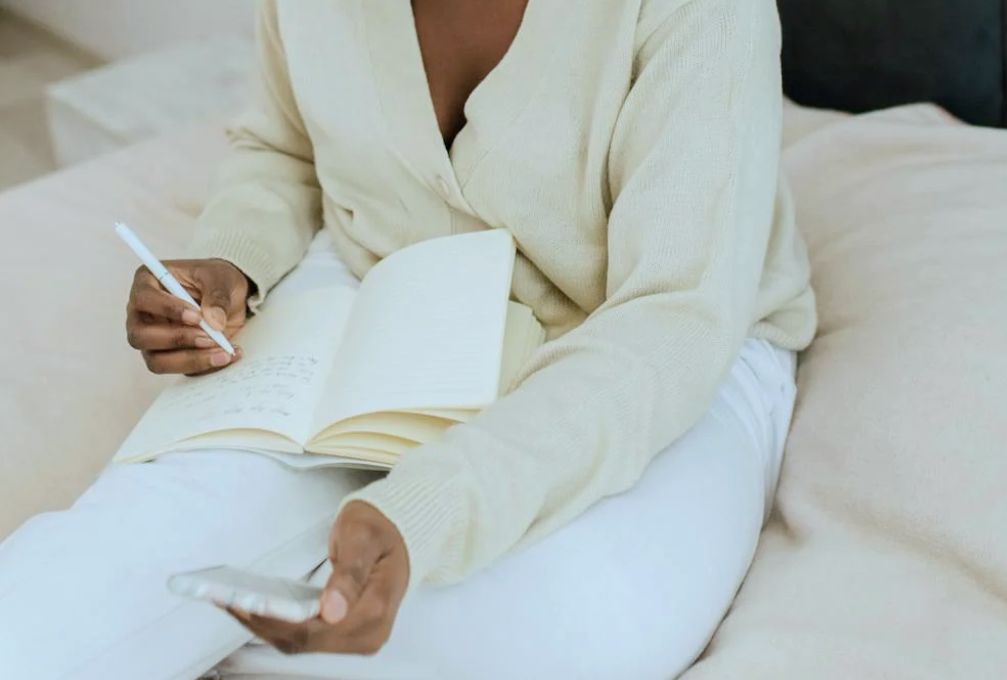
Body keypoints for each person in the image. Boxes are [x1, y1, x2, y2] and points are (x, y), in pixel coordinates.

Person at [0, 0, 816, 678]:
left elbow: (674, 317)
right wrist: (234, 259)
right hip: (383, 280)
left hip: (646, 337)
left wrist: (430, 505)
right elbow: (284, 148)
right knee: (77, 588)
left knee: (555, 637)